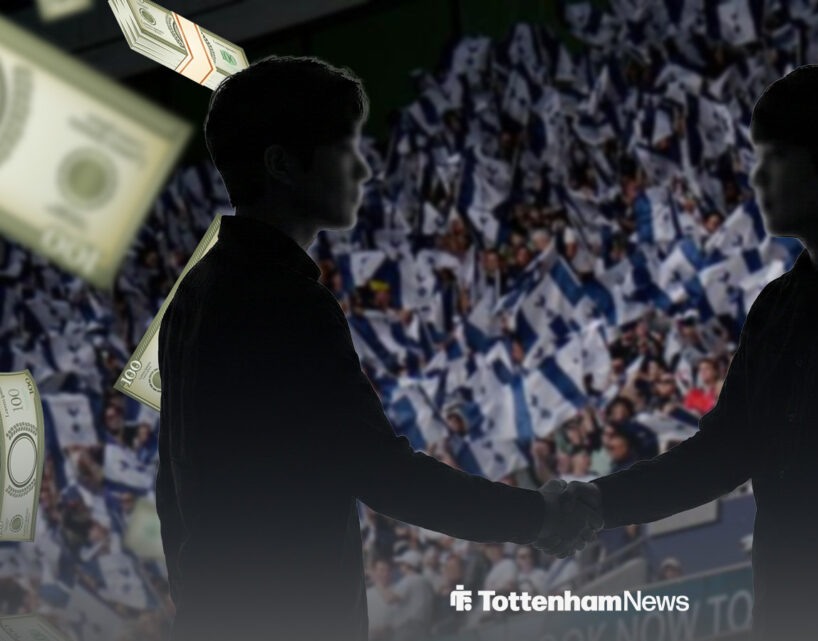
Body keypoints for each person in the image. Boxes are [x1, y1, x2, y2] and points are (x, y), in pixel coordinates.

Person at [156, 56, 600, 641]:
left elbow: (171, 488)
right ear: (282, 164)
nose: (362, 168)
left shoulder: (192, 296)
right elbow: (380, 470)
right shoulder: (285, 299)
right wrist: (537, 517)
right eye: (343, 148)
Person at [547, 64, 818, 641]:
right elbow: (721, 453)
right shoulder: (774, 309)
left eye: (775, 156)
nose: (756, 176)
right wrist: (600, 499)